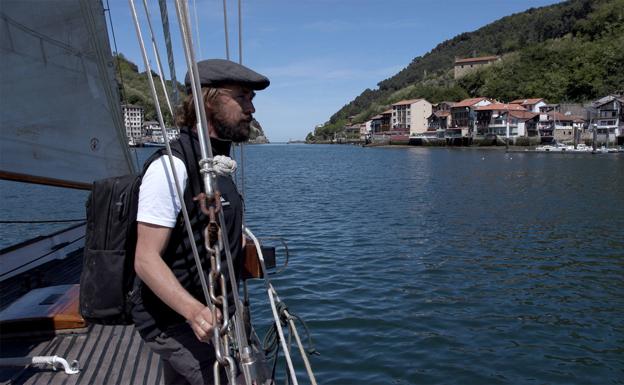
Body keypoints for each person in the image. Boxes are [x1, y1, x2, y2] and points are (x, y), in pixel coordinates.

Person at [132, 59, 270, 385]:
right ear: (208, 101)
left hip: (215, 313)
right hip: (174, 319)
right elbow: (145, 259)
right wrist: (193, 311)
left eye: (252, 99)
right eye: (242, 97)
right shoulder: (173, 166)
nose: (251, 109)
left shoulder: (216, 165)